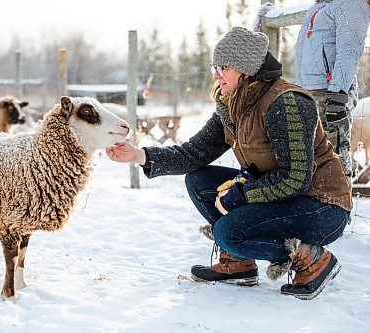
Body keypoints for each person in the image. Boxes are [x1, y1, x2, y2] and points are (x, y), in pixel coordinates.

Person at [106, 26, 352, 300]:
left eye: (222, 67)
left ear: (244, 68)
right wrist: (139, 154)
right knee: (199, 181)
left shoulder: (287, 103)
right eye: (214, 67)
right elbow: (193, 153)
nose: (216, 74)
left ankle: (314, 260)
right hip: (283, 197)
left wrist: (244, 194)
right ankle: (238, 264)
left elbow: (295, 178)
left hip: (320, 206)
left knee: (228, 232)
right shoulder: (234, 104)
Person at [295, 0, 370, 179]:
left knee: (333, 154)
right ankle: (318, 203)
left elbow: (349, 51)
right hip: (309, 91)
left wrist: (337, 95)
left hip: (330, 91)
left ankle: (340, 201)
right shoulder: (320, 6)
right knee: (314, 156)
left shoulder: (351, 4)